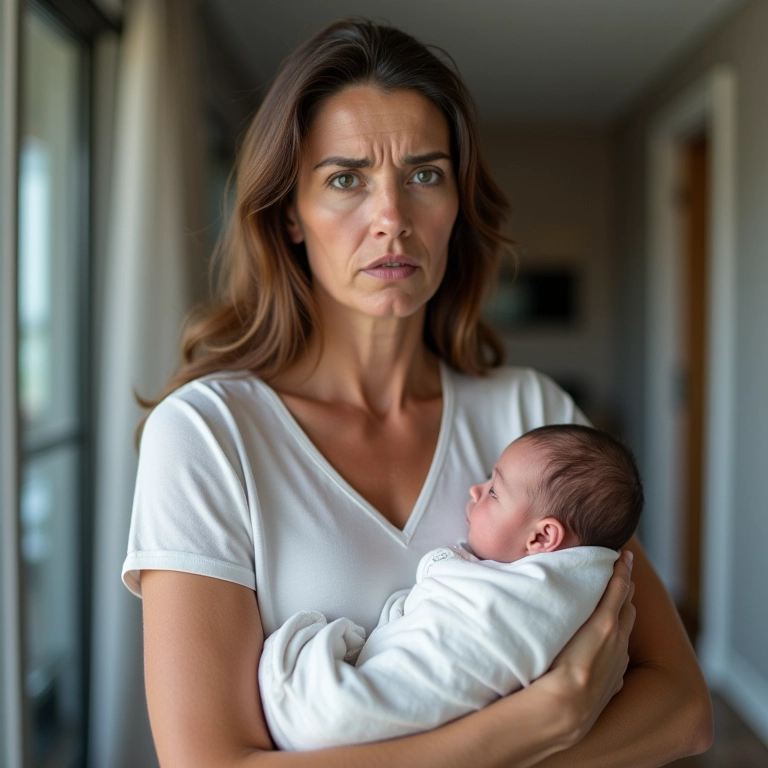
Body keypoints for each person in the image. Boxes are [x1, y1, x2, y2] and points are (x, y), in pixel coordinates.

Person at [122, 18, 713, 767]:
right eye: (346, 179)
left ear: (458, 203)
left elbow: (684, 710)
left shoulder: (532, 416)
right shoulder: (208, 434)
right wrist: (543, 720)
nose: (393, 219)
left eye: (425, 175)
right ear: (290, 214)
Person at [260, 424, 644, 750]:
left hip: (344, 718)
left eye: (494, 491)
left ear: (542, 537)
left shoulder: (550, 596)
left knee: (331, 713)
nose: (476, 490)